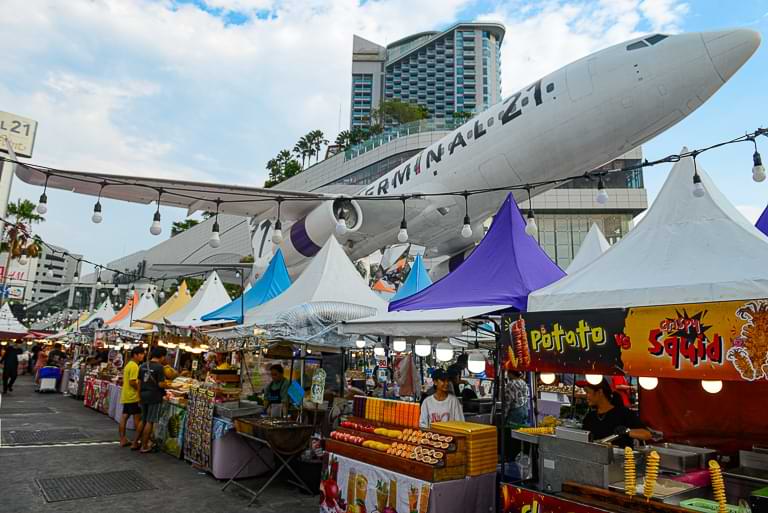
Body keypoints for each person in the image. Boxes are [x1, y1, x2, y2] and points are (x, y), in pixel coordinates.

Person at [579, 378, 652, 448]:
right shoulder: (589, 417)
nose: (586, 396)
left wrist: (627, 431)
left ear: (599, 392)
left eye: (588, 392)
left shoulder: (624, 413)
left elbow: (647, 434)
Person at [133, 347, 170, 453]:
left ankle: (135, 443)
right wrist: (170, 386)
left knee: (143, 420)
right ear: (162, 356)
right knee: (150, 421)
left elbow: (139, 382)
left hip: (143, 395)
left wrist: (139, 395)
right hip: (154, 396)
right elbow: (160, 384)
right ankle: (144, 446)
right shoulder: (160, 367)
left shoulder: (143, 365)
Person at [119, 346, 145, 447]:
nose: (143, 356)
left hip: (126, 395)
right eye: (141, 354)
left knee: (124, 416)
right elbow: (132, 381)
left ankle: (122, 439)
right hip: (133, 396)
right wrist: (139, 389)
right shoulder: (134, 366)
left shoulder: (128, 364)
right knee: (137, 419)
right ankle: (139, 441)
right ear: (135, 355)